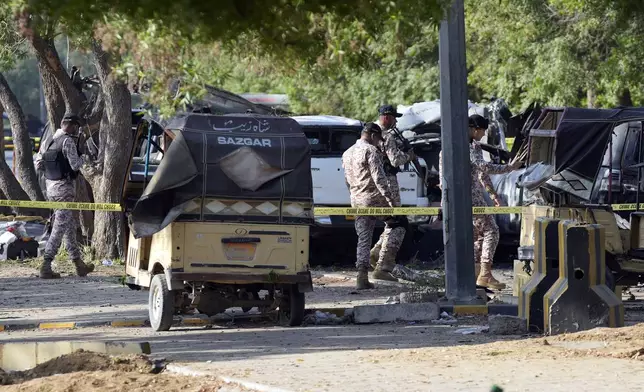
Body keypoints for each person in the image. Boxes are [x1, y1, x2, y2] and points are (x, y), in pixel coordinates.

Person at [438, 114, 521, 290]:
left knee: (476, 237)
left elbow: (479, 174)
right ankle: (485, 274)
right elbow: (483, 167)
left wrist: (492, 194)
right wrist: (509, 168)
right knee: (492, 230)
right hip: (471, 198)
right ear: (475, 129)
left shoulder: (448, 146)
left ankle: (476, 276)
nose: (483, 136)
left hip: (454, 199)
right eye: (482, 131)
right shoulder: (469, 147)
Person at [34, 114, 95, 279]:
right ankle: (46, 265)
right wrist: (84, 156)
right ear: (72, 126)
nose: (77, 130)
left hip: (51, 189)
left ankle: (78, 264)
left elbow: (38, 164)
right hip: (64, 191)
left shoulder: (50, 141)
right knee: (60, 227)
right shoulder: (67, 141)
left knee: (69, 225)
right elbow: (75, 165)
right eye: (76, 127)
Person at [342, 122, 399, 289]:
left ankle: (362, 276)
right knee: (399, 223)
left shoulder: (347, 153)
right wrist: (391, 201)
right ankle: (383, 263)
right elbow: (379, 178)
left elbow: (347, 180)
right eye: (378, 139)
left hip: (357, 201)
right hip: (374, 199)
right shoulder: (371, 151)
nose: (378, 143)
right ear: (373, 136)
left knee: (364, 238)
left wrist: (354, 196)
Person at [368, 104, 414, 280]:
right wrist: (409, 156)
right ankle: (384, 264)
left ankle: (376, 252)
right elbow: (395, 161)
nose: (395, 121)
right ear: (386, 117)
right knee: (398, 223)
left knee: (390, 222)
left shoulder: (370, 135)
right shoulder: (387, 136)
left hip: (372, 184)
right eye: (393, 117)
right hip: (388, 182)